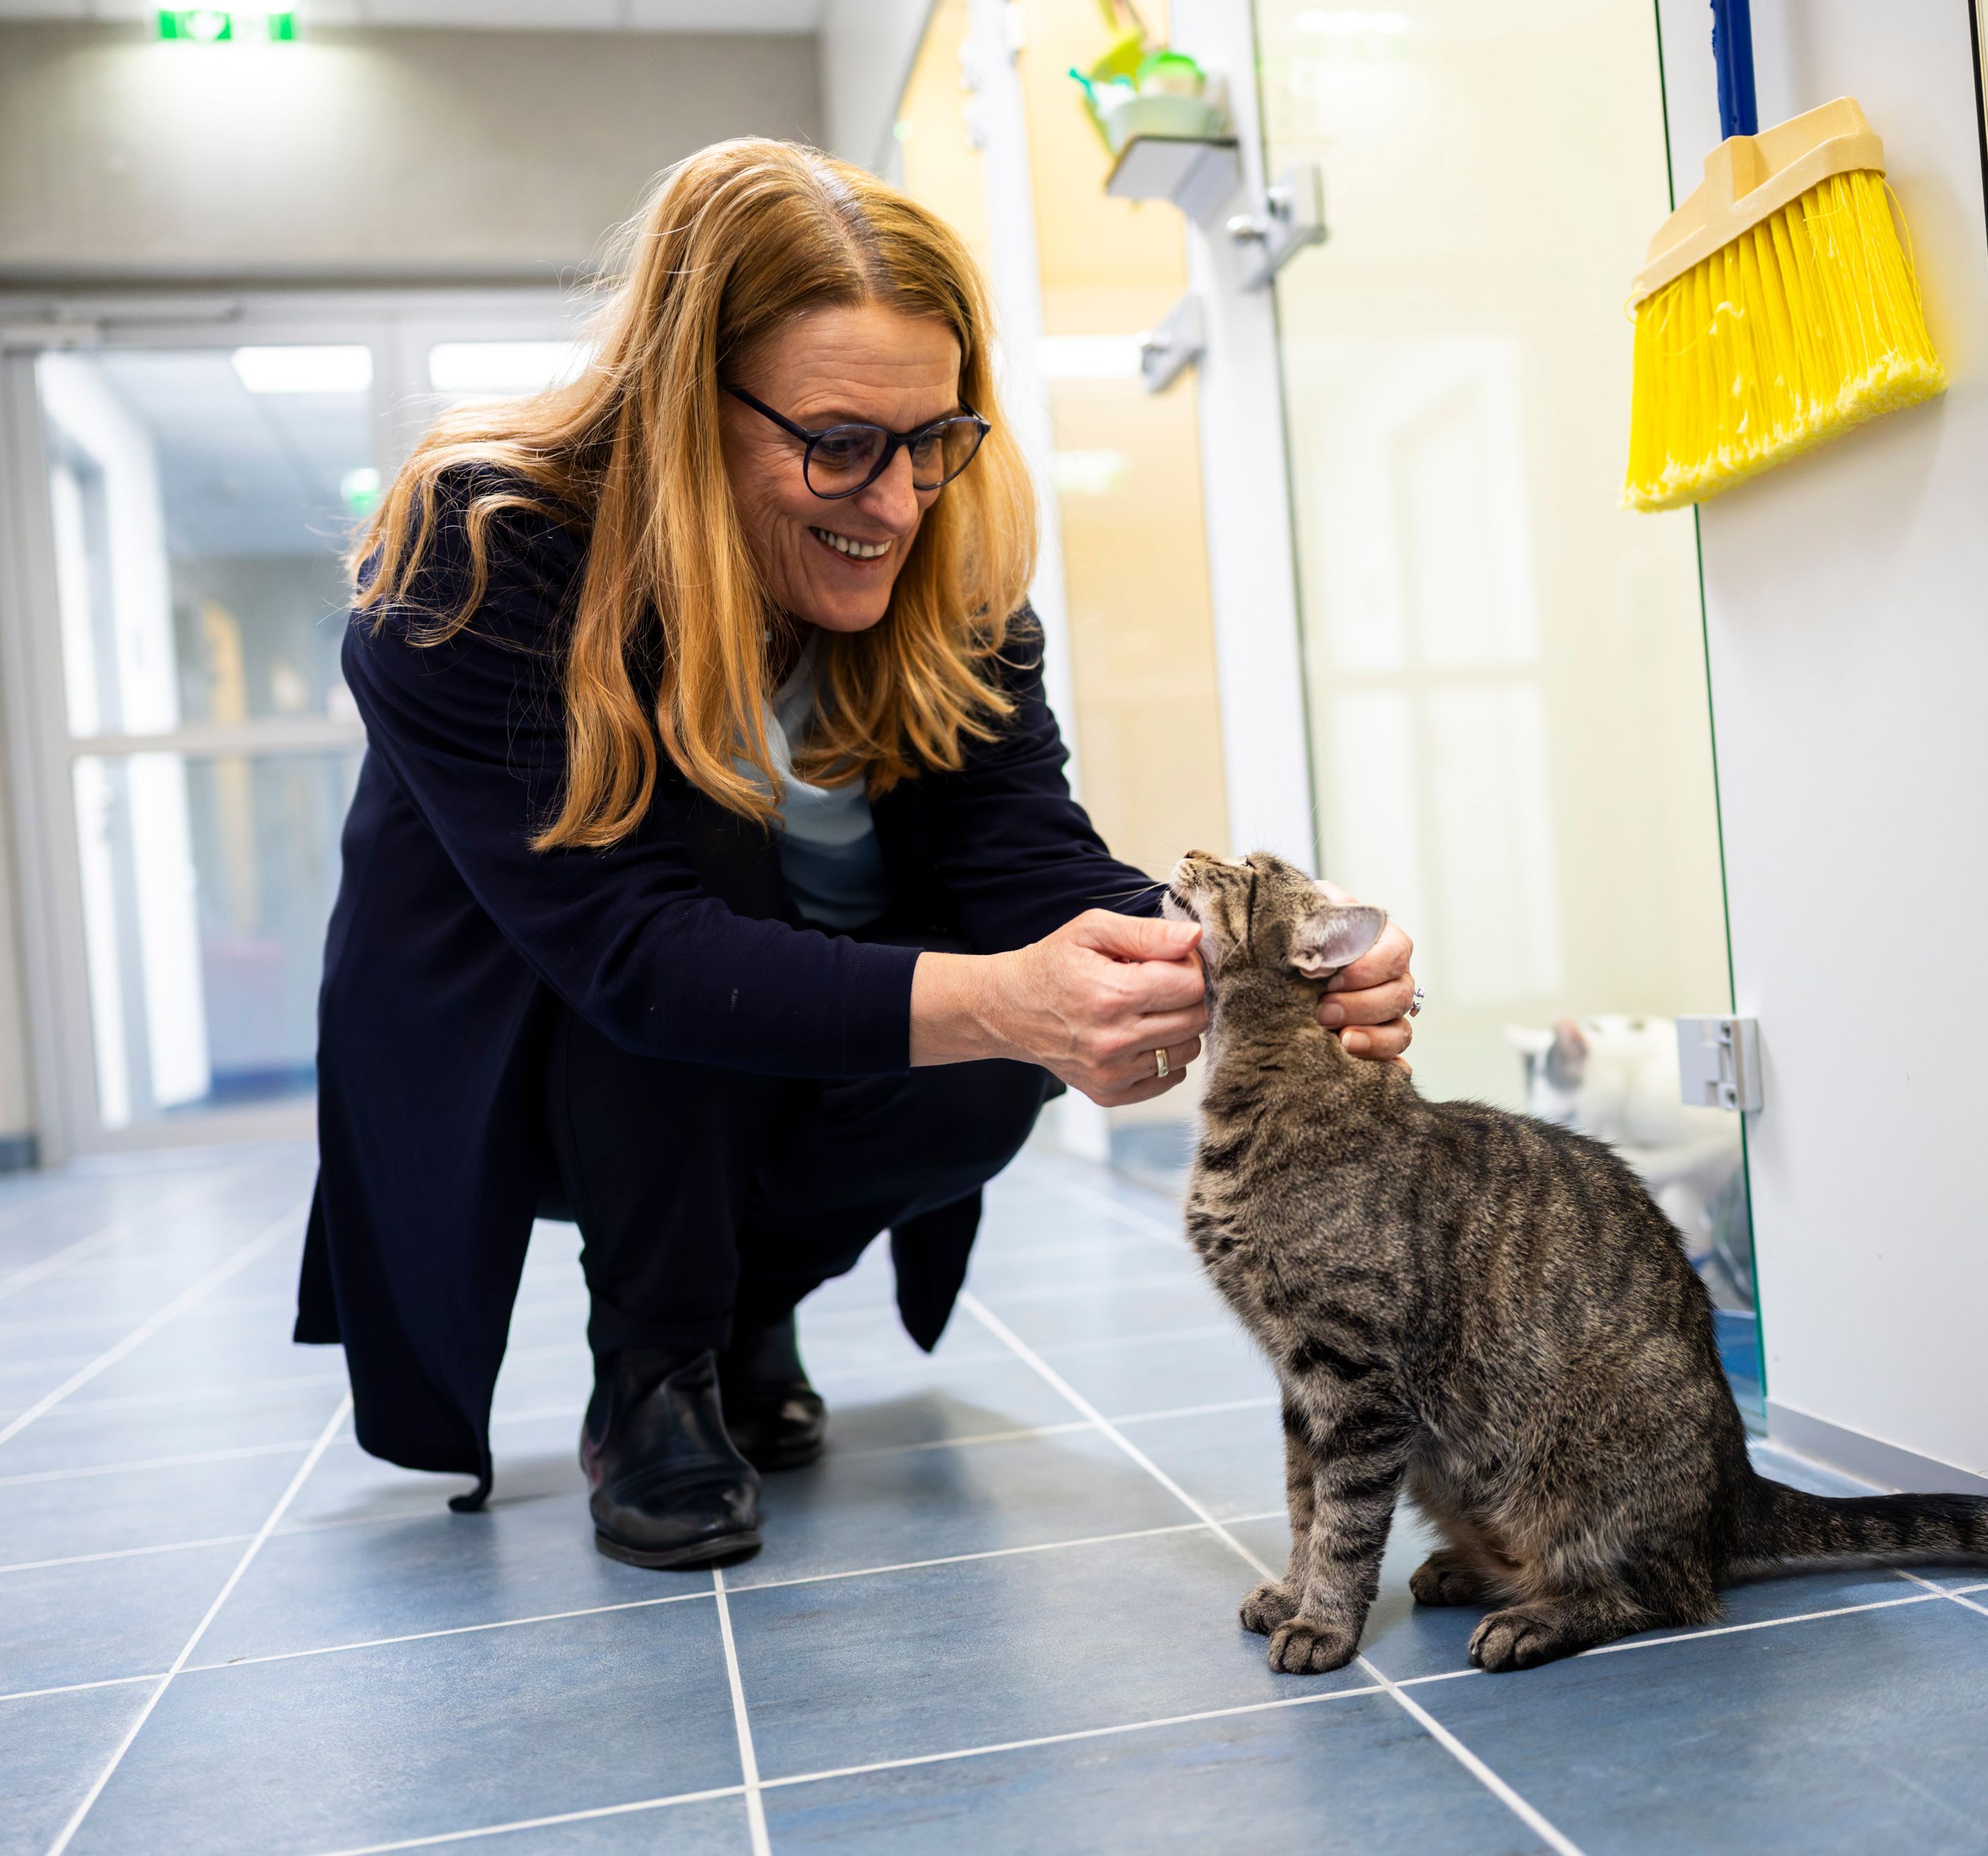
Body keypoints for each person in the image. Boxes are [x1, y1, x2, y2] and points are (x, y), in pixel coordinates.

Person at [295, 139, 1418, 1569]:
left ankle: (724, 1304)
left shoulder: (943, 579)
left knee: (990, 1058)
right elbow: (631, 950)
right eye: (836, 443)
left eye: (933, 440)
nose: (892, 503)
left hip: (771, 1057)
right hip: (545, 1063)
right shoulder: (481, 552)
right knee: (712, 870)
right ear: (683, 409)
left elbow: (1028, 866)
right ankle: (652, 1365)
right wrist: (1007, 995)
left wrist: (1264, 960)